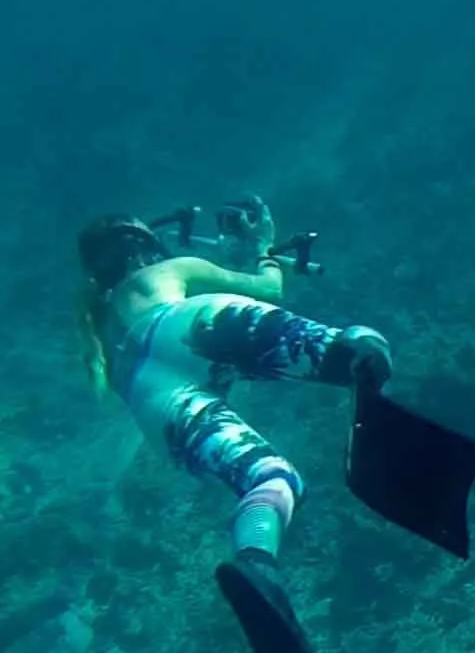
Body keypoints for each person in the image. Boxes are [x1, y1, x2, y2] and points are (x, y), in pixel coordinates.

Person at [76, 201, 394, 572]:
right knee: (347, 351)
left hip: (144, 386)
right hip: (190, 321)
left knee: (270, 478)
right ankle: (359, 351)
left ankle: (257, 563)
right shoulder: (170, 269)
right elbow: (268, 289)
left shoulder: (95, 331)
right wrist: (265, 251)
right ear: (145, 245)